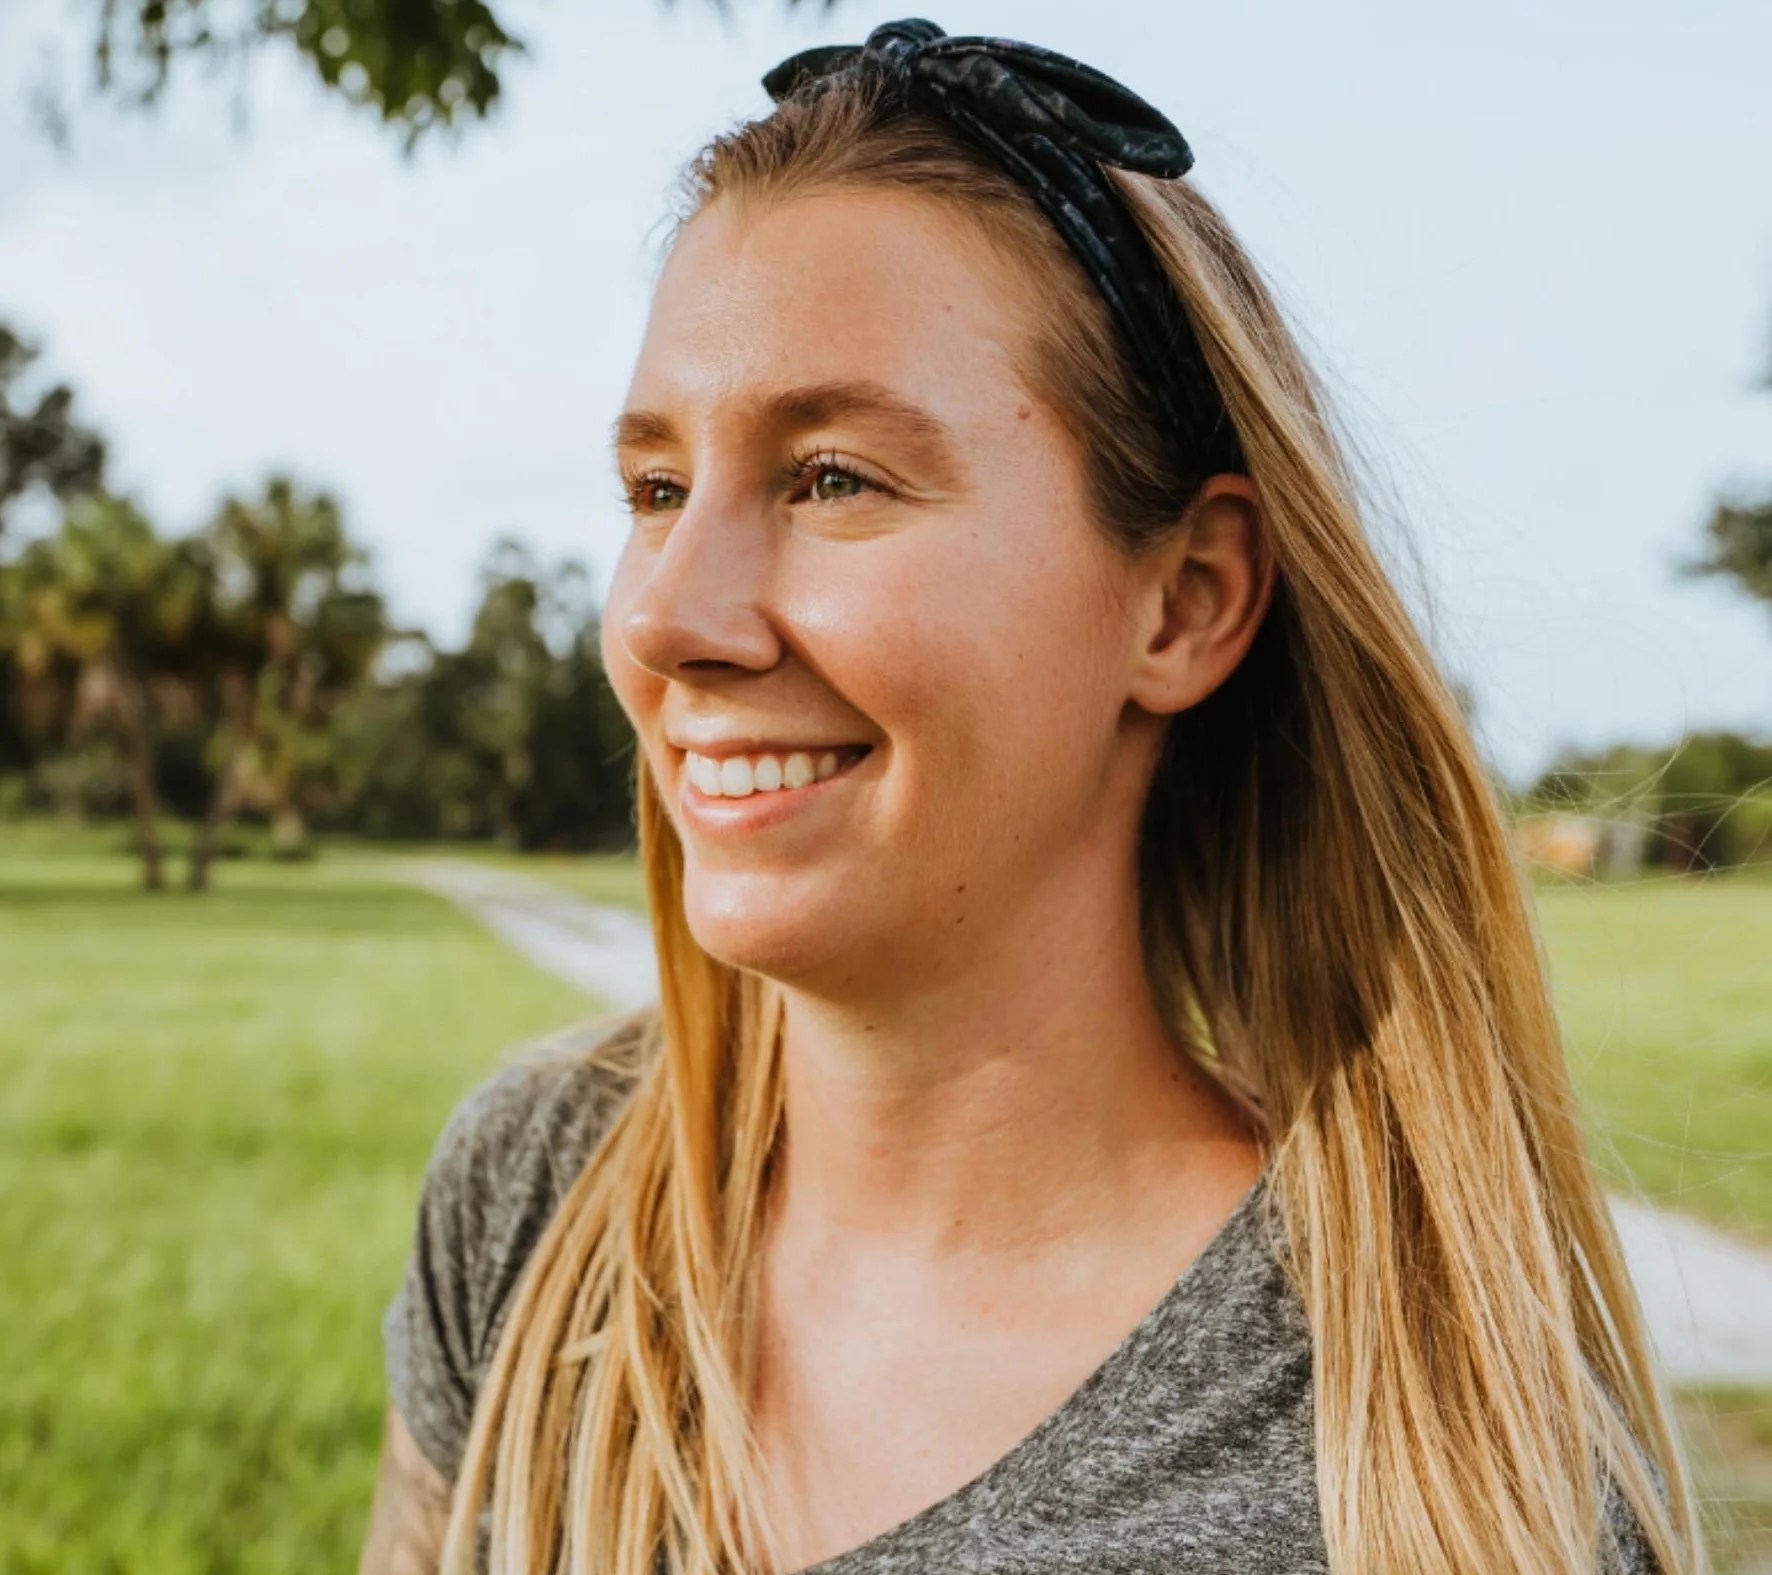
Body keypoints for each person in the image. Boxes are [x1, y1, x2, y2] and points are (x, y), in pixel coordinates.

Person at [357, 19, 1699, 1574]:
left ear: (1185, 602)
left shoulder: (1413, 1485)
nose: (664, 618)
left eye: (832, 478)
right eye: (657, 491)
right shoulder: (535, 1195)